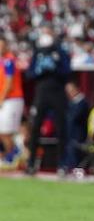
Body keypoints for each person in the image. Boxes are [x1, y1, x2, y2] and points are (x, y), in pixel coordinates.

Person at [24, 27, 71, 175]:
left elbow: (67, 71)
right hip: (42, 92)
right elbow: (29, 73)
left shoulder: (60, 51)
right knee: (35, 127)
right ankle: (31, 163)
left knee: (61, 128)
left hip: (57, 92)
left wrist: (55, 68)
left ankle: (62, 164)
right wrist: (40, 70)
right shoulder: (38, 52)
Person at [0, 39, 23, 166]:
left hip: (11, 99)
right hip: (5, 100)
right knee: (2, 131)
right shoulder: (2, 61)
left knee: (6, 131)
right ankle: (13, 153)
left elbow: (8, 83)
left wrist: (1, 99)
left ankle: (14, 154)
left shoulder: (9, 60)